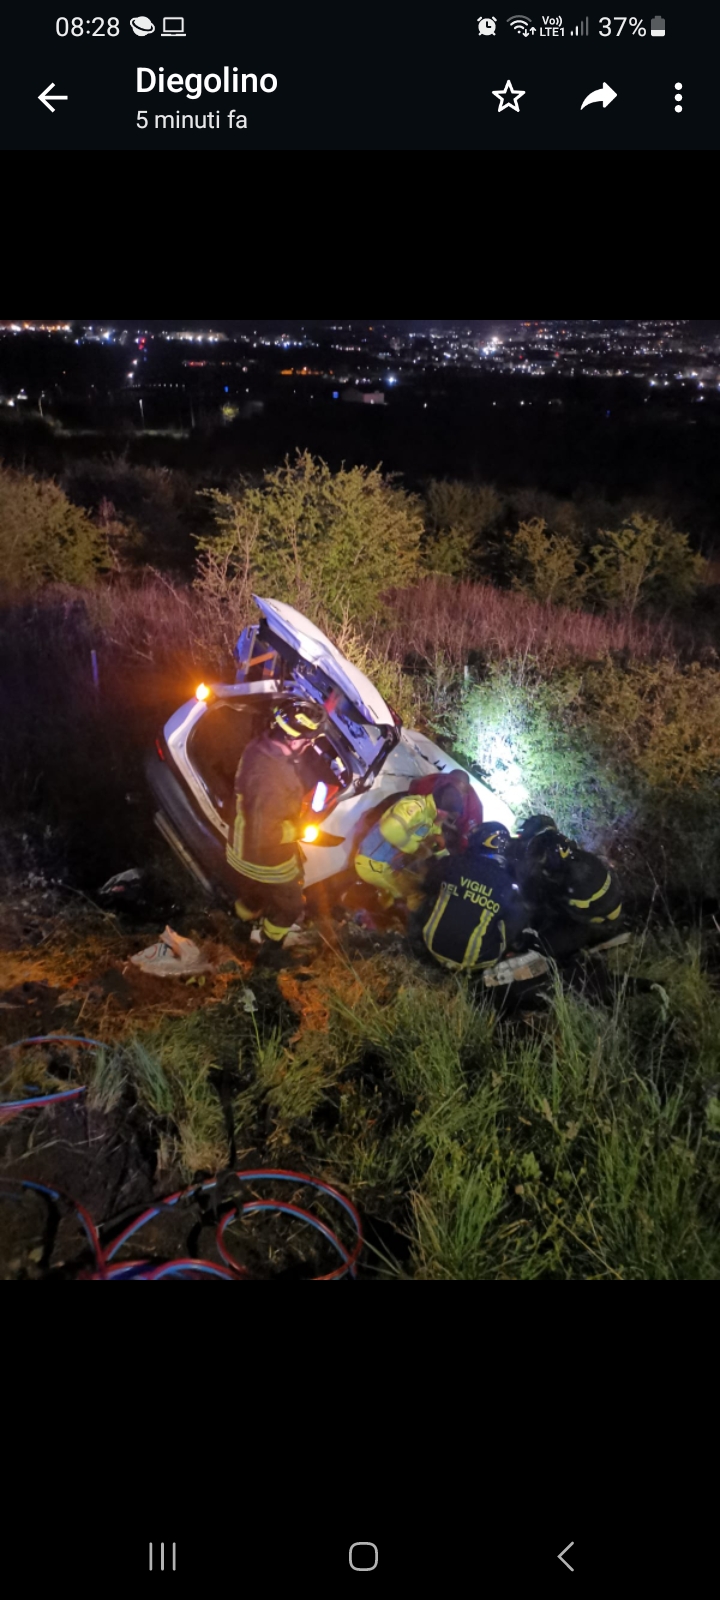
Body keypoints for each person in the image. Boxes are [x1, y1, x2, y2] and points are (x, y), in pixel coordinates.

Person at [226, 698, 325, 957]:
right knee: (291, 906)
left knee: (253, 895)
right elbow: (266, 834)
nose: (308, 745)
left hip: (238, 847)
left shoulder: (259, 747)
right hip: (264, 859)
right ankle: (269, 950)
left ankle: (239, 921)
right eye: (308, 741)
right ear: (293, 741)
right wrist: (300, 829)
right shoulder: (272, 778)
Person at [408, 822, 530, 973]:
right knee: (504, 921)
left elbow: (427, 885)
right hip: (476, 963)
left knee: (429, 897)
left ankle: (415, 942)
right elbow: (515, 925)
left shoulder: (454, 863)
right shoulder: (510, 885)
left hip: (432, 946)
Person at [510, 816, 624, 961]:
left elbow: (533, 902)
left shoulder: (551, 863)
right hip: (605, 915)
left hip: (591, 926)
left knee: (536, 946)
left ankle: (574, 964)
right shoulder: (571, 852)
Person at [354, 781, 464, 912]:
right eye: (448, 815)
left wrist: (442, 850)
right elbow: (390, 829)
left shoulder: (430, 816)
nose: (446, 820)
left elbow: (435, 833)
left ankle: (378, 910)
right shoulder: (415, 807)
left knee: (409, 886)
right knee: (414, 895)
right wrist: (415, 848)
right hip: (372, 864)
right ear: (442, 810)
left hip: (385, 865)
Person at [408, 768, 484, 850]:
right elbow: (411, 796)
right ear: (444, 782)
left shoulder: (473, 810)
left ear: (465, 793)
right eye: (451, 788)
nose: (452, 795)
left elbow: (466, 843)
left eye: (457, 793)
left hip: (452, 828)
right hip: (427, 812)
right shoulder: (429, 782)